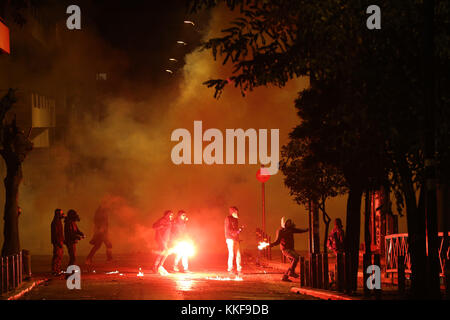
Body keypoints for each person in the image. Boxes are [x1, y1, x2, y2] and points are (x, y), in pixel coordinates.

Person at [269, 217, 308, 282]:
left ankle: (285, 277)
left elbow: (299, 231)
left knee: (293, 262)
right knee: (296, 258)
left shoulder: (291, 229)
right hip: (285, 249)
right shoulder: (280, 231)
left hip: (291, 249)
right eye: (288, 222)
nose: (289, 223)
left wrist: (306, 230)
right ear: (284, 223)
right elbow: (277, 241)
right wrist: (272, 244)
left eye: (290, 222)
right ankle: (291, 272)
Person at [152, 210, 174, 275]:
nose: (171, 216)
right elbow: (154, 226)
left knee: (162, 252)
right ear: (165, 215)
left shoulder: (169, 221)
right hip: (161, 239)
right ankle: (158, 266)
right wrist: (161, 226)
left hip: (165, 239)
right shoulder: (162, 220)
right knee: (166, 251)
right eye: (170, 214)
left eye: (172, 215)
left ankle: (156, 266)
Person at [224, 206, 244, 274]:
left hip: (235, 238)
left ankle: (239, 269)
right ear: (232, 212)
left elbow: (236, 230)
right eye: (236, 212)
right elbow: (228, 229)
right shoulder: (228, 218)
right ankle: (230, 268)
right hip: (230, 238)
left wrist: (238, 232)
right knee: (231, 253)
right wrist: (235, 233)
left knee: (238, 254)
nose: (237, 213)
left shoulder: (236, 219)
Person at [51, 209, 65, 275]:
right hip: (57, 242)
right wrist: (59, 242)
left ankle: (57, 270)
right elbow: (56, 234)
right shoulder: (55, 222)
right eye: (61, 213)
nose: (62, 215)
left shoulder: (58, 221)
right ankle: (55, 271)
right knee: (57, 256)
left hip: (59, 241)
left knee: (59, 256)